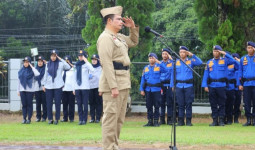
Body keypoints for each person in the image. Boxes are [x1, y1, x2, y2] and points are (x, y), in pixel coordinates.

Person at [97, 6, 139, 150]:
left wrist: (132, 28)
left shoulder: (118, 37)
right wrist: (113, 86)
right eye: (119, 19)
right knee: (110, 119)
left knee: (118, 120)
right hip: (113, 84)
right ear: (109, 21)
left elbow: (133, 42)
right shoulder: (105, 38)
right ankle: (109, 147)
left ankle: (114, 146)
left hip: (123, 81)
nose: (122, 21)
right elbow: (107, 63)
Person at [202, 45, 235, 126]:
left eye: (217, 51)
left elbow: (234, 61)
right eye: (214, 51)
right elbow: (206, 74)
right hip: (212, 86)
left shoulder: (225, 60)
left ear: (220, 52)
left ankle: (221, 120)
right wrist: (205, 85)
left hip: (221, 85)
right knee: (213, 103)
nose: (215, 53)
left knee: (222, 104)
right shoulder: (209, 62)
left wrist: (225, 54)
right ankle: (214, 120)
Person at [170, 46, 203, 126]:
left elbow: (200, 62)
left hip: (188, 86)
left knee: (188, 104)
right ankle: (181, 121)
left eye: (184, 52)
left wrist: (192, 55)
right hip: (179, 85)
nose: (182, 54)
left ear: (187, 53)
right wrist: (172, 85)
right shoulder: (176, 62)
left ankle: (188, 121)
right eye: (180, 52)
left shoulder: (191, 61)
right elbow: (172, 74)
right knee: (180, 104)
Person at [42, 49, 71, 125]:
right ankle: (50, 119)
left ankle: (57, 119)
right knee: (49, 103)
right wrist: (43, 85)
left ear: (57, 56)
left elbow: (68, 67)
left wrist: (61, 59)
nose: (53, 57)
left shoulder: (61, 64)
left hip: (58, 86)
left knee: (57, 103)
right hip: (48, 86)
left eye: (55, 56)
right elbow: (45, 75)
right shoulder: (48, 64)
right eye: (52, 56)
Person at [140, 53, 168, 127]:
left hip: (156, 89)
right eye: (150, 58)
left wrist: (159, 62)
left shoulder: (159, 66)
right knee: (149, 105)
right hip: (148, 89)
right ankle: (150, 121)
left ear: (155, 59)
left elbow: (166, 70)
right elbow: (143, 79)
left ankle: (156, 121)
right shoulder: (146, 68)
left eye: (153, 58)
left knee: (156, 105)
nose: (151, 59)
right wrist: (141, 89)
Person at [74, 50, 94, 125]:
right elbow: (74, 77)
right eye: (79, 56)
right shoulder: (76, 65)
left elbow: (92, 69)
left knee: (85, 104)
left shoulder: (86, 65)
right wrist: (74, 88)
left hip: (85, 87)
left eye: (82, 56)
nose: (80, 57)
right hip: (77, 87)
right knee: (79, 104)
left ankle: (84, 119)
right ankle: (80, 119)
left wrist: (86, 61)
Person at [17, 56, 40, 124]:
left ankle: (29, 119)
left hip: (30, 91)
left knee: (29, 104)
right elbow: (19, 81)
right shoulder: (21, 71)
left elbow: (37, 74)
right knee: (24, 105)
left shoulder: (32, 70)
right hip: (22, 90)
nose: (25, 63)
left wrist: (32, 66)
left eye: (27, 62)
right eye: (24, 62)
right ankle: (24, 118)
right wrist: (18, 91)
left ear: (29, 63)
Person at [238, 41, 255, 126]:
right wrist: (240, 84)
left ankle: (254, 120)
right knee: (247, 103)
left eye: (251, 48)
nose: (250, 49)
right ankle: (248, 119)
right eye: (248, 48)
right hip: (246, 84)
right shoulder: (243, 59)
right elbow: (240, 72)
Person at [159, 48, 173, 125]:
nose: (164, 55)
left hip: (169, 85)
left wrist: (172, 59)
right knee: (161, 102)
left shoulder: (172, 63)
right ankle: (162, 119)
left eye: (166, 54)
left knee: (169, 103)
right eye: (163, 54)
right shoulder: (159, 63)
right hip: (161, 85)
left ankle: (170, 119)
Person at [225, 52, 239, 125]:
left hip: (231, 87)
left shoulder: (233, 64)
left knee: (230, 104)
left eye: (226, 56)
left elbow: (239, 66)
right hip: (223, 87)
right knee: (223, 104)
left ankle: (230, 119)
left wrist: (234, 59)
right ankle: (223, 118)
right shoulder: (222, 63)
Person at [89, 54, 102, 123]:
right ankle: (92, 117)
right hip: (90, 87)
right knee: (91, 103)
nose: (94, 61)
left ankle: (98, 118)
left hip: (98, 87)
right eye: (93, 60)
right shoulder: (90, 68)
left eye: (95, 59)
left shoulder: (100, 68)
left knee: (98, 103)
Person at [61, 55, 75, 123]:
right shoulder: (62, 70)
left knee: (71, 104)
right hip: (64, 89)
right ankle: (65, 117)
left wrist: (74, 89)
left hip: (71, 89)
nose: (66, 63)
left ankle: (71, 118)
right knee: (64, 104)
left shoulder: (73, 69)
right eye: (65, 61)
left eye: (68, 61)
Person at [34, 56, 47, 122]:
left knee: (44, 103)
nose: (40, 63)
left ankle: (44, 117)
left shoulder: (46, 69)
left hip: (44, 88)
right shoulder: (35, 69)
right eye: (38, 61)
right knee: (38, 103)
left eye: (41, 61)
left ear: (43, 62)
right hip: (37, 88)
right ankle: (38, 117)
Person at [232, 53, 241, 123]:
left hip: (238, 88)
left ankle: (236, 118)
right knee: (229, 103)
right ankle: (228, 117)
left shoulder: (239, 68)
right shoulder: (229, 67)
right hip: (231, 88)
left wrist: (237, 60)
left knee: (237, 104)